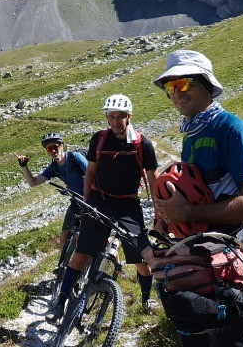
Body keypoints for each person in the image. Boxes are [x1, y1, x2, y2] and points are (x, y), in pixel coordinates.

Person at [150, 49, 243, 347]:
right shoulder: (193, 133)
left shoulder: (231, 128)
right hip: (202, 256)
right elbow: (198, 192)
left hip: (227, 258)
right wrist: (169, 219)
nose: (176, 94)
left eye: (183, 85)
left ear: (205, 84)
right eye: (170, 87)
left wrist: (187, 212)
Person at [46, 94, 159, 322]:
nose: (116, 121)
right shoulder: (98, 139)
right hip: (100, 200)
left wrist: (159, 214)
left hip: (128, 204)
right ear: (107, 117)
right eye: (111, 116)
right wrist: (87, 202)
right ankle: (60, 303)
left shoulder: (142, 144)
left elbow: (153, 179)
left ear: (129, 117)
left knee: (141, 261)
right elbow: (91, 172)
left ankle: (146, 296)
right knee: (80, 255)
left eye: (120, 117)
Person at [16, 132, 88, 254]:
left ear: (62, 146)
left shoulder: (75, 157)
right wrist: (24, 166)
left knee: (99, 237)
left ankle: (116, 266)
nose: (53, 151)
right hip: (76, 201)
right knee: (64, 236)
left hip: (91, 200)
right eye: (49, 149)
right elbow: (33, 182)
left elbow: (93, 174)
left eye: (55, 147)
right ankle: (61, 269)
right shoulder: (54, 167)